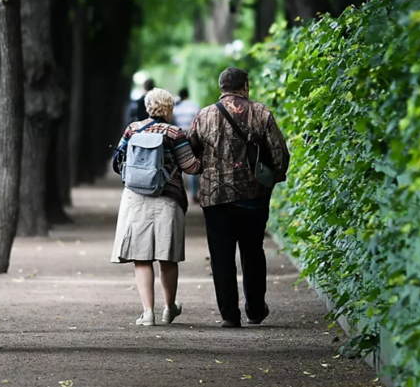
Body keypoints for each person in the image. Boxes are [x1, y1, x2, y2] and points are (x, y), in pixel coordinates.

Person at [188, 67, 290, 328]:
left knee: (221, 256)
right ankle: (255, 310)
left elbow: (190, 151)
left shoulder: (204, 116)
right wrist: (270, 183)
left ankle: (229, 315)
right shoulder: (261, 112)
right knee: (253, 252)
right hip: (253, 197)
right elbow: (279, 153)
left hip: (215, 198)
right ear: (245, 86)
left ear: (221, 87)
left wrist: (206, 172)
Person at [111, 88, 202, 326]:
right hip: (167, 200)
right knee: (167, 257)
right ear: (169, 108)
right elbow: (191, 167)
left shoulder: (132, 129)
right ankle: (169, 308)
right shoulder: (175, 133)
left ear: (148, 106)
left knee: (141, 258)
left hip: (136, 198)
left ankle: (148, 312)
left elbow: (118, 161)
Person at [173, 88, 201, 203]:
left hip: (177, 137)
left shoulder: (175, 108)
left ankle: (180, 193)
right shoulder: (194, 106)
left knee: (178, 167)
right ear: (187, 95)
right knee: (192, 164)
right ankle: (194, 193)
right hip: (191, 137)